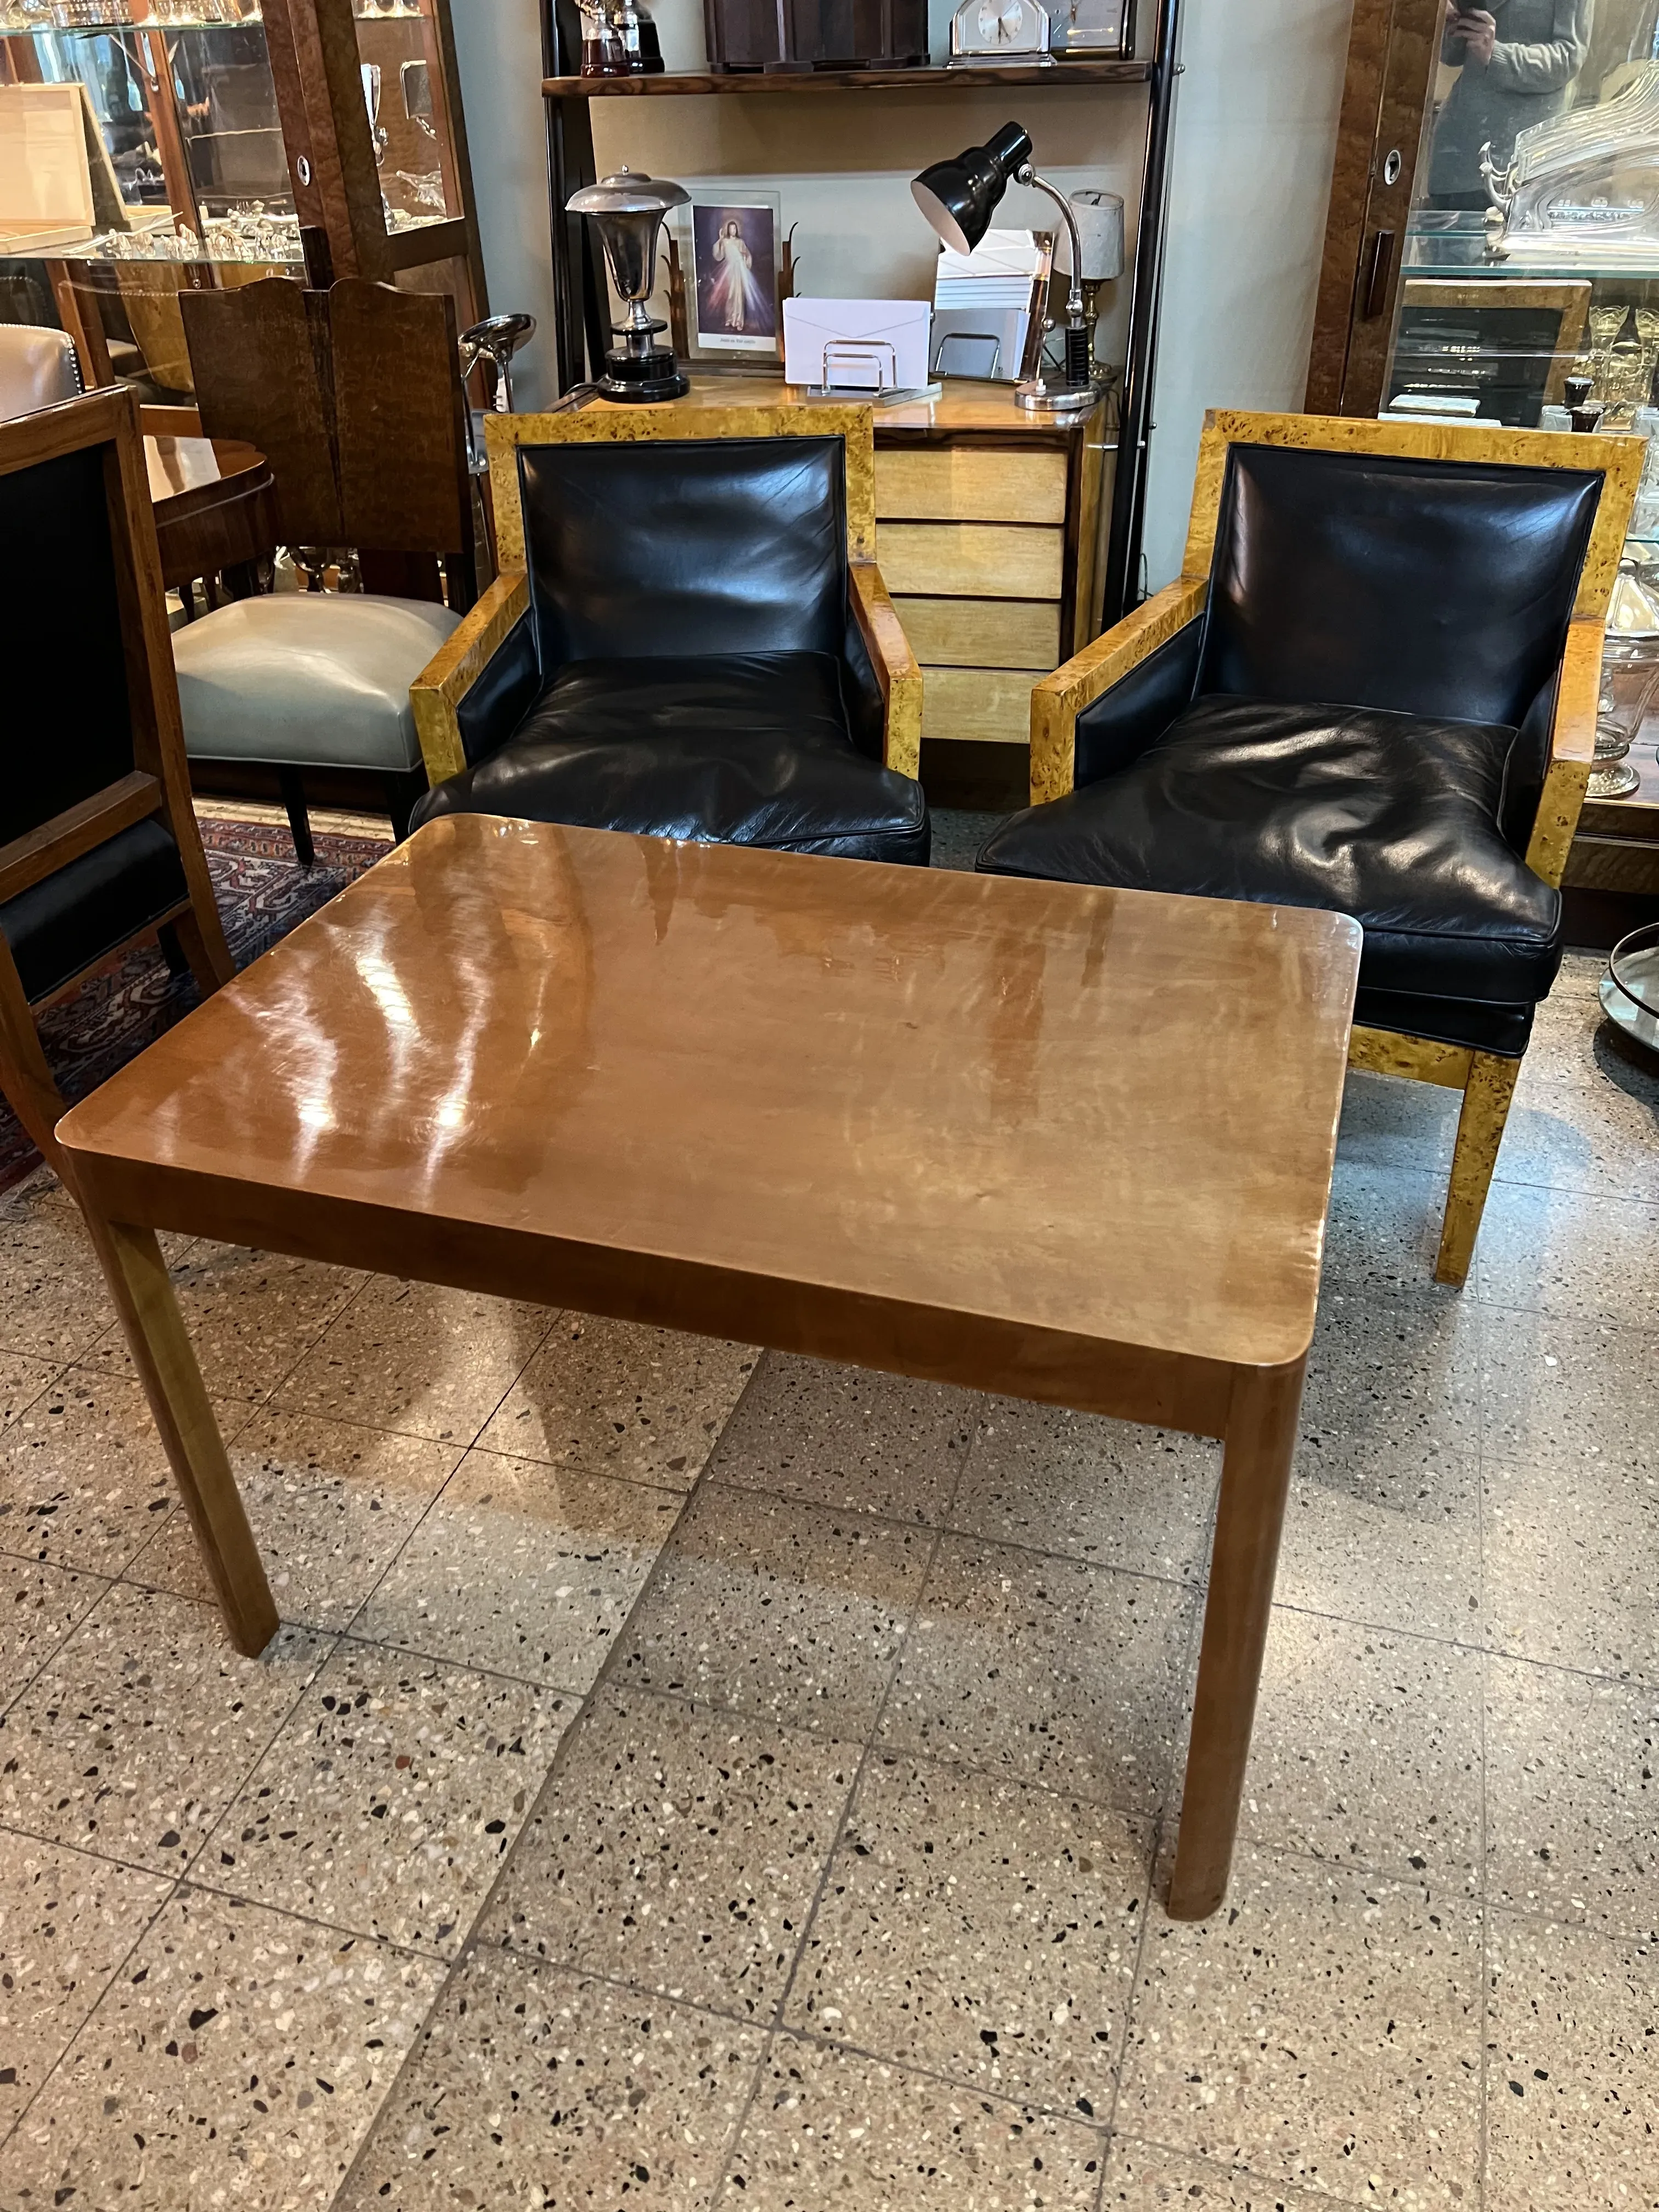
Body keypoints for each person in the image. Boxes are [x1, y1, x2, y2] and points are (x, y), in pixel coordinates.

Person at [1427, 0, 1594, 208]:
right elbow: (1450, 55)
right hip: (1455, 152)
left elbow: (1568, 58)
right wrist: (1448, 24)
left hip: (1519, 161)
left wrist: (1495, 53)